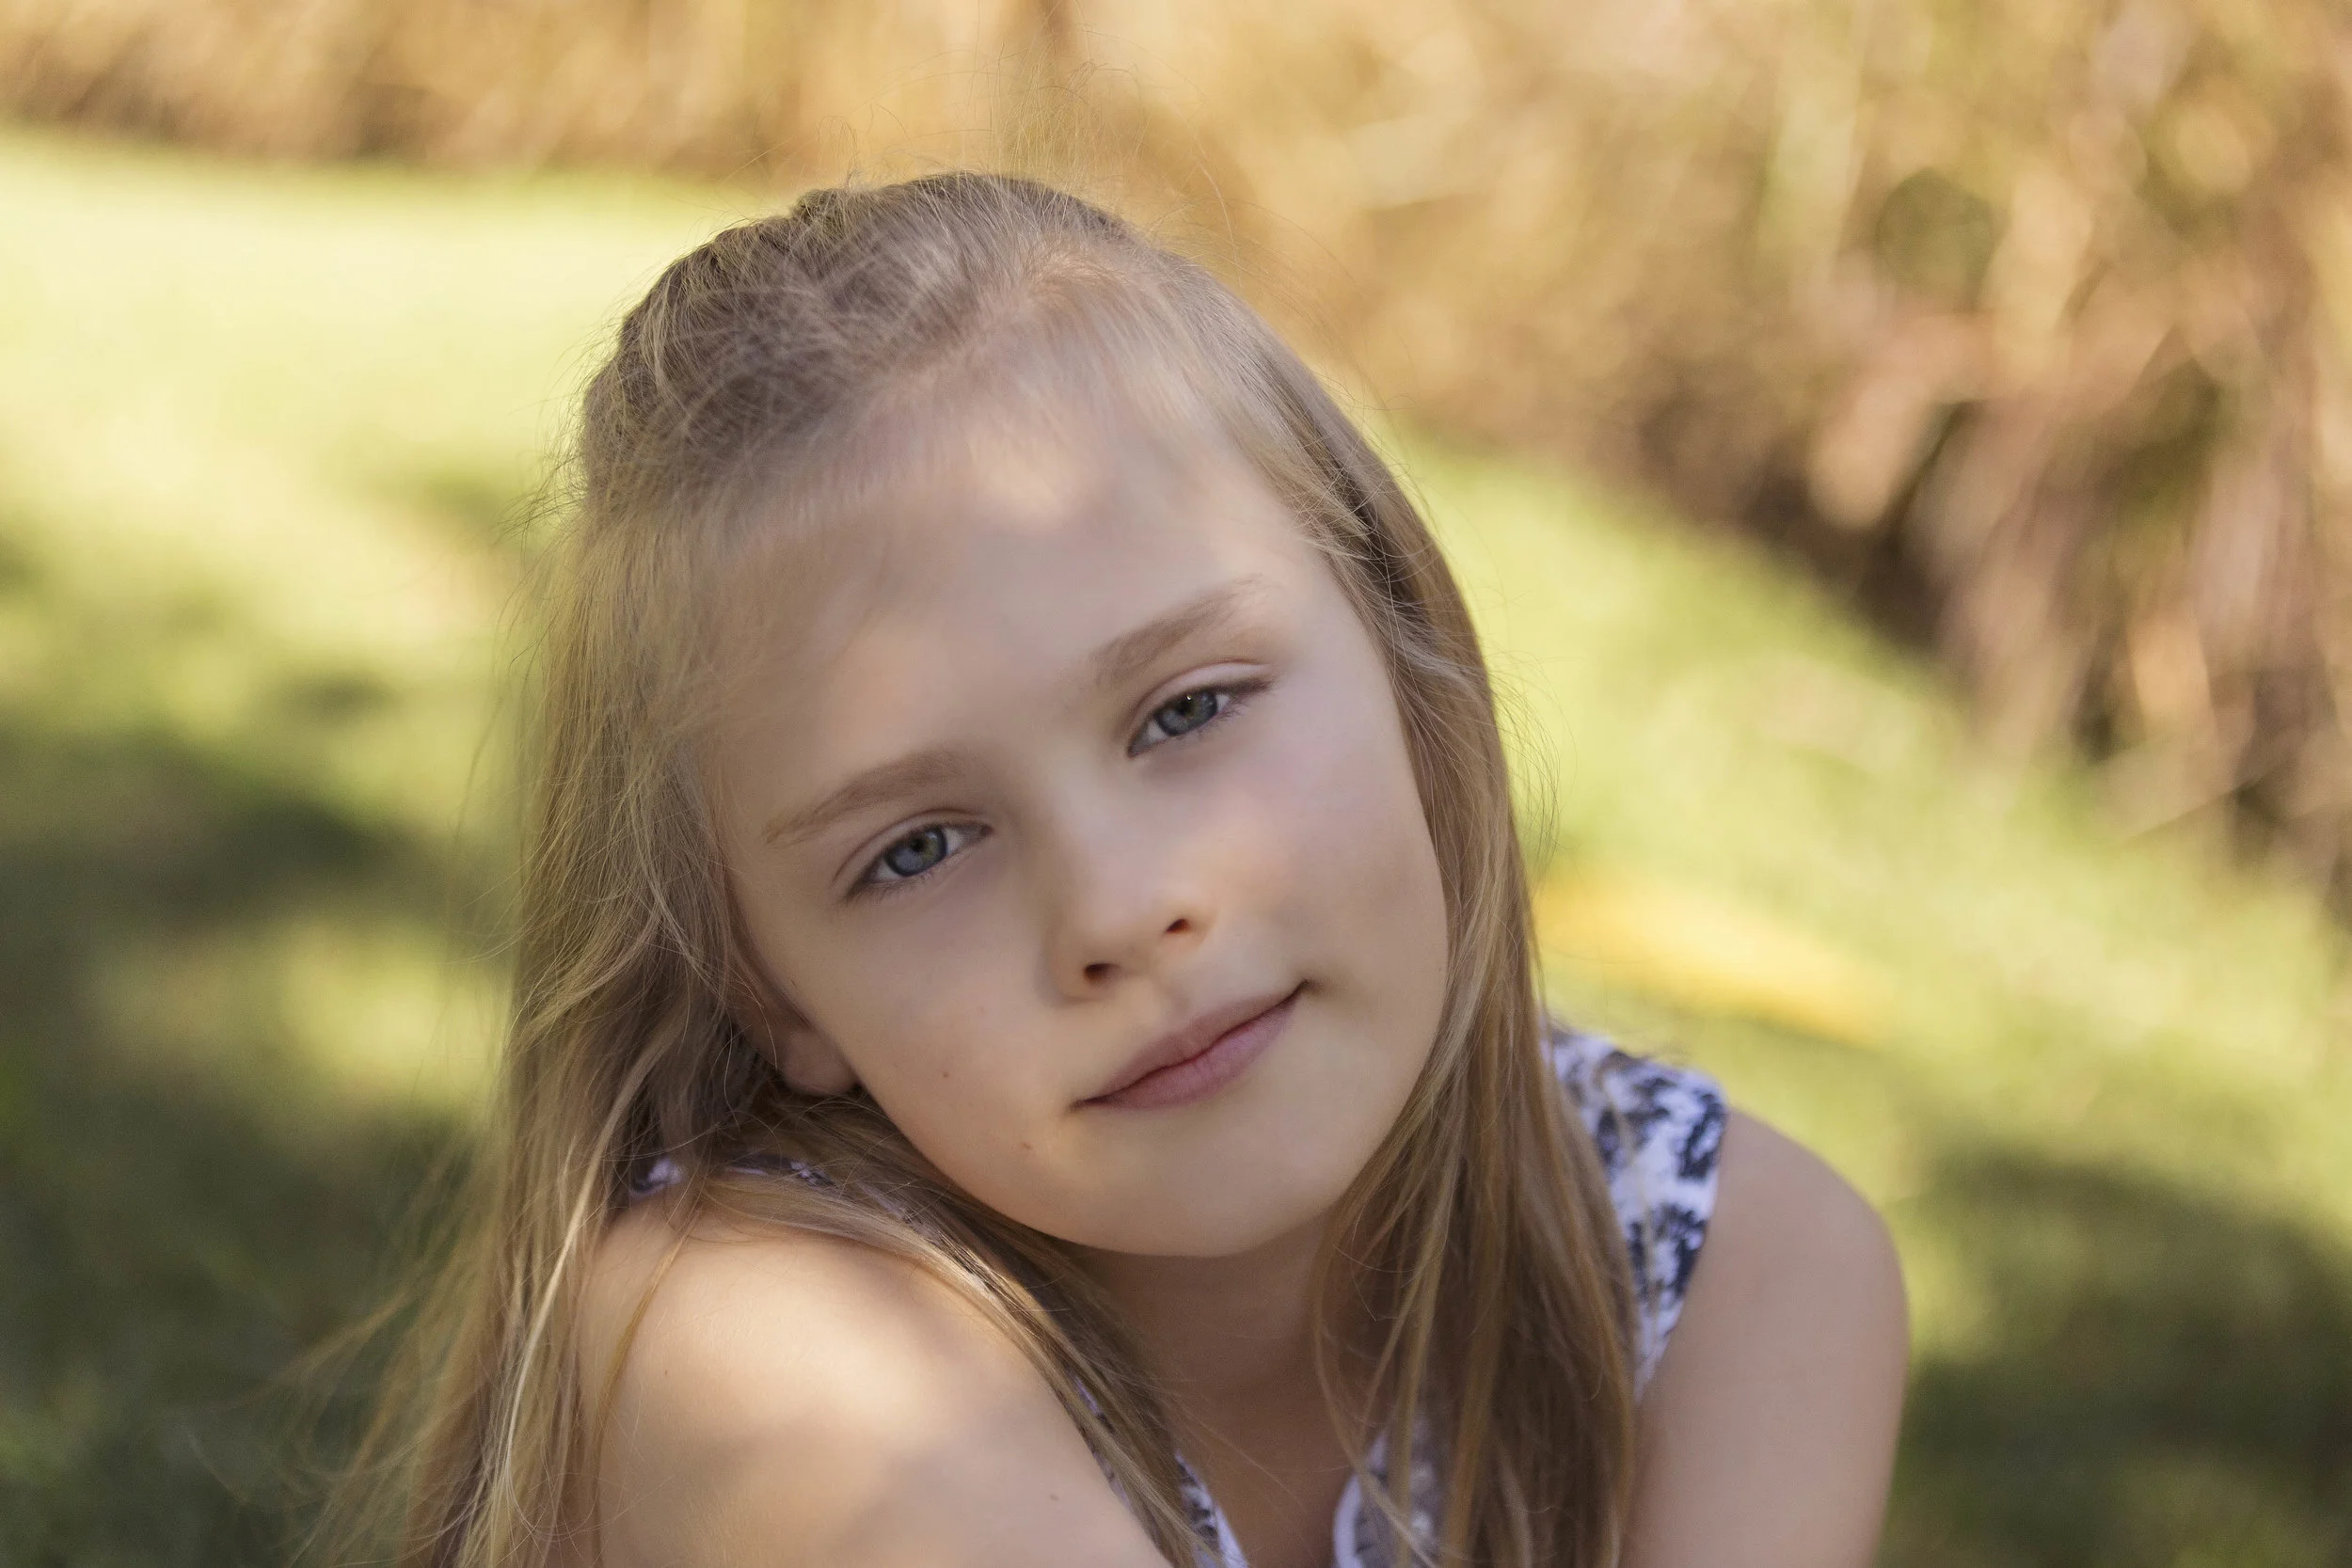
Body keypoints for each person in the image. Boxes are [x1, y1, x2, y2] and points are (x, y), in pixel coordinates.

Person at [346, 173, 1907, 1568]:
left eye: (1190, 708)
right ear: (768, 988)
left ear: (1405, 667)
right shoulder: (768, 1342)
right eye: (918, 848)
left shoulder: (1734, 1269)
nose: (1116, 909)